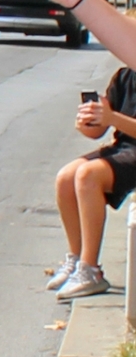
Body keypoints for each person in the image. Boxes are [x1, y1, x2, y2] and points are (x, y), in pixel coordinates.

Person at [49, 64, 136, 299]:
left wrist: (112, 117)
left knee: (88, 175)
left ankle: (91, 271)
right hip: (125, 147)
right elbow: (100, 130)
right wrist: (89, 123)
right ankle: (76, 260)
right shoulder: (125, 76)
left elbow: (114, 119)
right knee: (66, 177)